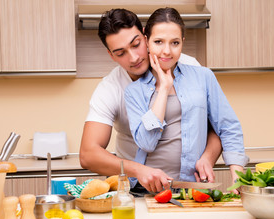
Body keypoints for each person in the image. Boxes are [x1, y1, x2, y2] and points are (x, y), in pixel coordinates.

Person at [79, 8, 223, 193]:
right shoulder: (110, 88)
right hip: (136, 189)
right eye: (120, 52)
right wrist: (138, 170)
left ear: (146, 37)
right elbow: (88, 154)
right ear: (111, 55)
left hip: (190, 186)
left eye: (136, 44)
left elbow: (217, 126)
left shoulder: (189, 67)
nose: (134, 57)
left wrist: (207, 158)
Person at [124, 7, 249, 190]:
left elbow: (227, 126)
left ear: (182, 42)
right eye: (158, 41)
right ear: (146, 41)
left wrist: (238, 176)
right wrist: (165, 88)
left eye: (174, 43)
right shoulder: (134, 91)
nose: (167, 51)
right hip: (147, 191)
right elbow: (147, 143)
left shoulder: (203, 77)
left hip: (193, 187)